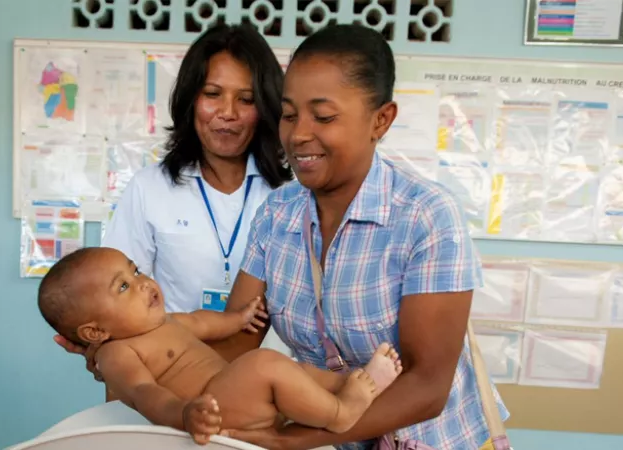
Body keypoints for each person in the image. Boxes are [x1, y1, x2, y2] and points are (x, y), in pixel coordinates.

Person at [208, 23, 510, 450]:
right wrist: (151, 359)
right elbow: (236, 342)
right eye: (290, 115)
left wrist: (290, 440)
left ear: (381, 120)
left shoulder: (425, 216)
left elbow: (427, 387)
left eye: (324, 116)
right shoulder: (277, 213)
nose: (298, 135)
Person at [54, 23, 294, 374]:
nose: (228, 112)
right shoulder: (150, 188)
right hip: (168, 375)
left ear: (265, 107)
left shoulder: (289, 195)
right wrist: (103, 347)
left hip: (269, 381)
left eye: (246, 99)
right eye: (212, 94)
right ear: (190, 99)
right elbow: (113, 298)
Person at [38, 247, 403, 443]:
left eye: (135, 271)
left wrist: (240, 319)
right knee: (264, 364)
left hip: (232, 395)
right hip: (211, 414)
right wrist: (184, 415)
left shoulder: (165, 322)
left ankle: (350, 383)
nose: (143, 282)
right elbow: (143, 392)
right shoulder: (116, 353)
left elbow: (203, 322)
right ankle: (342, 413)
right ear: (94, 333)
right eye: (123, 287)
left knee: (296, 371)